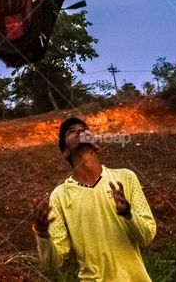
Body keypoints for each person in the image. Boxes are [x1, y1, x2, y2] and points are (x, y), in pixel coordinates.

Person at [32, 117, 156, 281]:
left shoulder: (126, 178)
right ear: (65, 152)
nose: (80, 131)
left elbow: (147, 237)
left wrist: (128, 213)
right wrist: (41, 233)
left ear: (95, 143)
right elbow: (53, 263)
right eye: (72, 131)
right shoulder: (60, 196)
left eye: (84, 128)